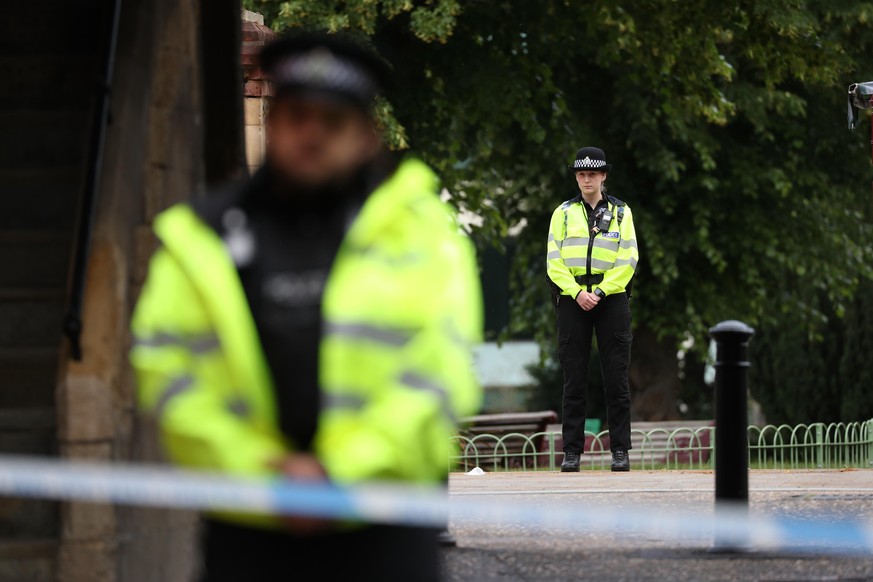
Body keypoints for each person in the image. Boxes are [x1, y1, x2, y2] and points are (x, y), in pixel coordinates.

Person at [130, 31, 483, 582]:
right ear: (273, 124)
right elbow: (169, 375)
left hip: (382, 527)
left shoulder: (419, 235)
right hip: (249, 528)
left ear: (367, 135)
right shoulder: (202, 237)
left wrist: (338, 474)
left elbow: (438, 376)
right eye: (297, 117)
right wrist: (264, 476)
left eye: (333, 121)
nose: (312, 134)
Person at [545, 146, 639, 473]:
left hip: (610, 297)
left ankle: (620, 451)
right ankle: (572, 452)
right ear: (576, 176)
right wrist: (576, 292)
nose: (587, 179)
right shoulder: (563, 213)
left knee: (616, 378)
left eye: (593, 174)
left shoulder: (622, 213)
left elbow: (628, 260)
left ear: (603, 176)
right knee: (574, 379)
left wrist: (599, 290)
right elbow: (553, 262)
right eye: (581, 174)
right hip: (573, 298)